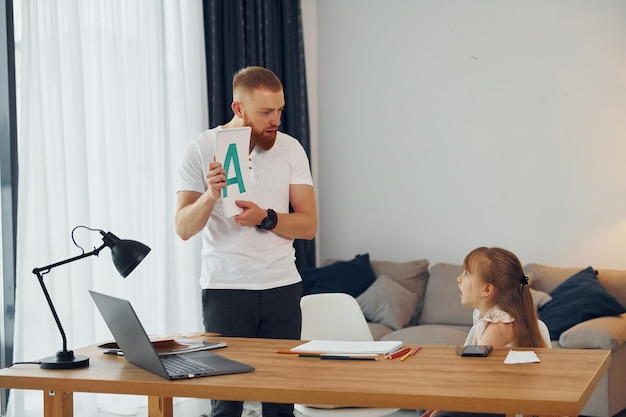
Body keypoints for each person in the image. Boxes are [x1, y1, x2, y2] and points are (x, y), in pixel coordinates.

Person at [175, 66, 317, 417]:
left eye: (280, 110)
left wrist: (265, 217)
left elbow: (309, 225)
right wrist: (211, 194)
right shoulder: (200, 149)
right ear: (238, 109)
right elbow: (183, 227)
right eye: (266, 112)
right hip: (225, 289)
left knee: (280, 403)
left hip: (281, 287)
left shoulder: (291, 150)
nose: (276, 121)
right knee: (226, 403)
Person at [421, 247, 548, 417]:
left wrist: (445, 405)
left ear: (486, 290)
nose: (458, 278)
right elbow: (471, 368)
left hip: (499, 405)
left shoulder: (495, 329)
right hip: (490, 396)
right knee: (424, 402)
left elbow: (477, 382)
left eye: (466, 273)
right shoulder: (487, 319)